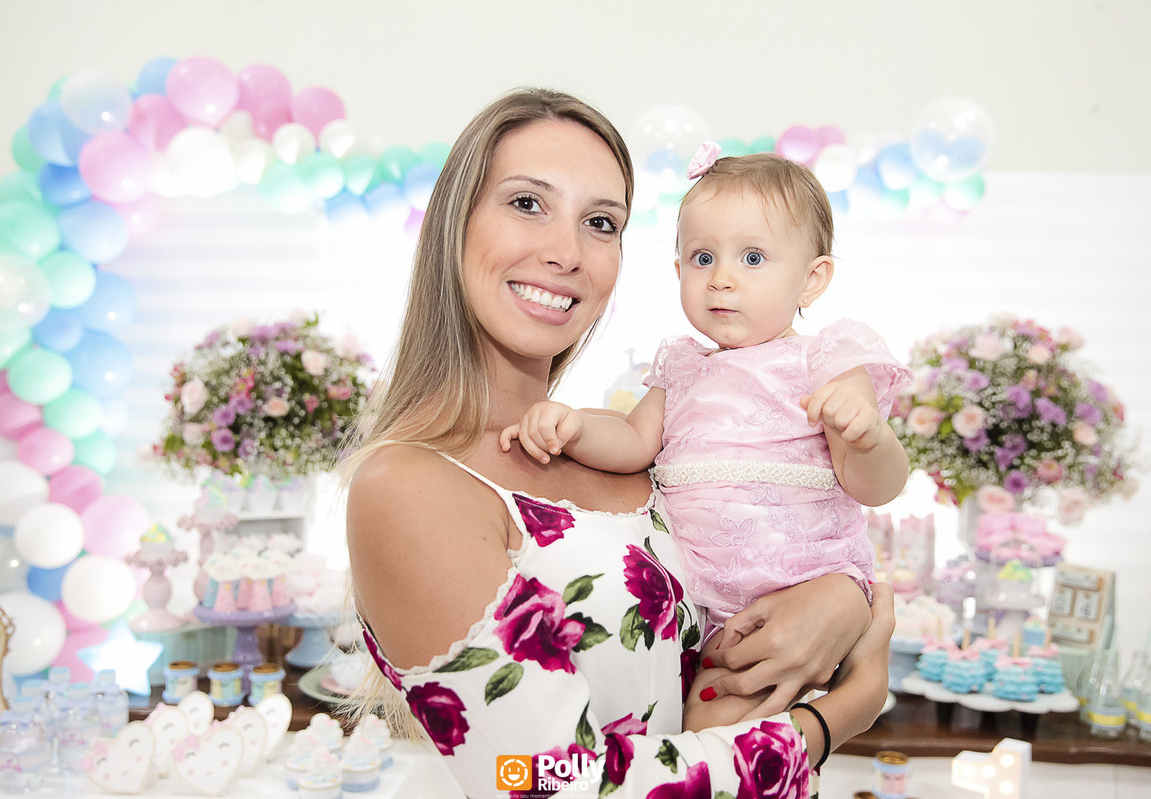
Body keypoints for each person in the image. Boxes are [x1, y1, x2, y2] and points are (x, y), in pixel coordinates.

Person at [344, 89, 892, 798]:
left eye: (600, 222)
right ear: (453, 225)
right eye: (527, 203)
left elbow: (783, 527)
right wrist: (840, 714)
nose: (565, 252)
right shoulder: (410, 486)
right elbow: (535, 779)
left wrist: (843, 596)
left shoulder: (639, 444)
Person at [501, 146, 913, 730]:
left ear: (812, 279)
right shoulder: (682, 367)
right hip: (703, 610)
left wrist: (869, 438)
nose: (721, 278)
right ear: (678, 271)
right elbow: (633, 442)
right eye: (702, 257)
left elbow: (876, 487)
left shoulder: (826, 361)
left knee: (722, 726)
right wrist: (575, 426)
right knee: (696, 732)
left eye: (753, 257)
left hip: (802, 582)